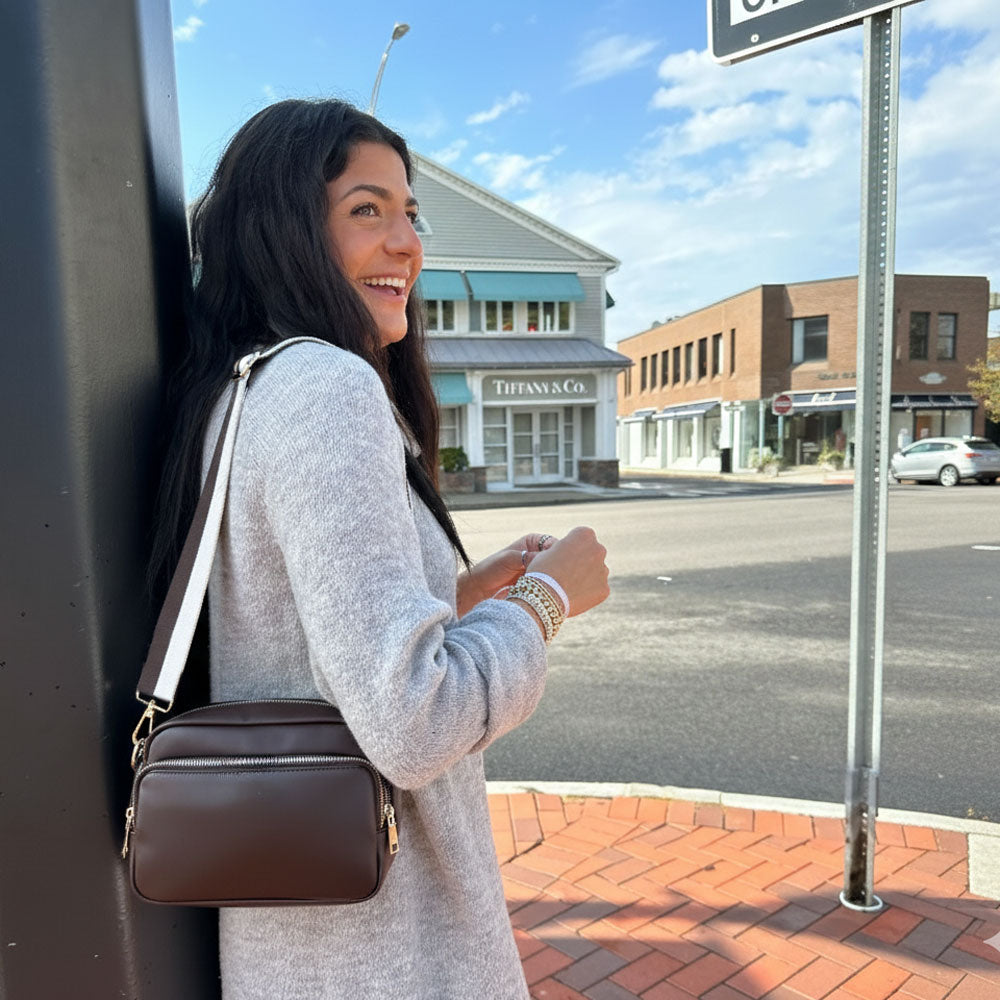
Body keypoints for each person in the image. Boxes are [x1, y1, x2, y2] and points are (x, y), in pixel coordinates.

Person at [149, 99, 610, 1000]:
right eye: (367, 210)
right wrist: (548, 600)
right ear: (284, 228)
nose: (406, 243)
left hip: (304, 936)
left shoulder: (244, 386)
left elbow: (299, 636)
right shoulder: (326, 386)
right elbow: (415, 720)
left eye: (410, 214)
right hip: (389, 947)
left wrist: (462, 590)